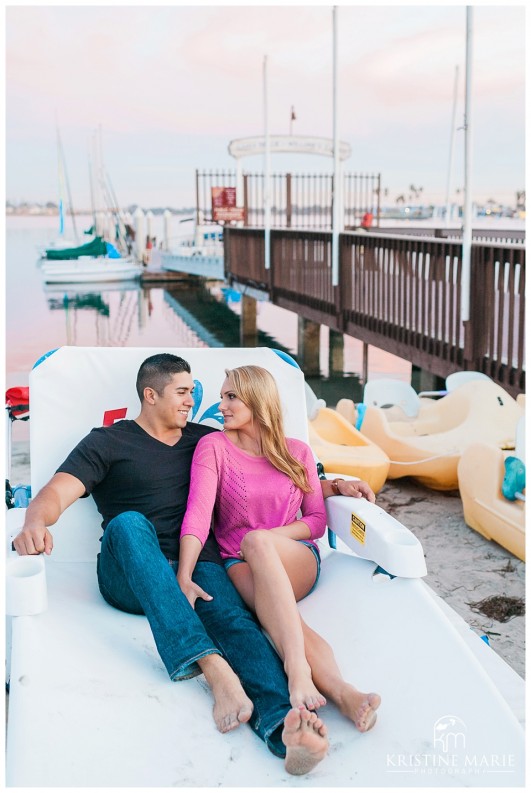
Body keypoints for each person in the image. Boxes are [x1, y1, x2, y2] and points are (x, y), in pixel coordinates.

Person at [12, 353, 372, 775]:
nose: (192, 401)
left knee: (237, 621)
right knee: (128, 524)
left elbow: (271, 470)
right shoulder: (108, 441)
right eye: (183, 392)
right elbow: (57, 491)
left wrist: (334, 486)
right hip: (130, 571)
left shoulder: (204, 441)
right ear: (151, 395)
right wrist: (35, 521)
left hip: (197, 562)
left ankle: (283, 728)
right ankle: (211, 666)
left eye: (193, 393)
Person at [179, 365, 381, 731]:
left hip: (296, 559)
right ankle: (345, 694)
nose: (221, 405)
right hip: (240, 565)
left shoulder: (296, 452)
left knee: (257, 541)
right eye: (222, 396)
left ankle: (296, 670)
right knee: (292, 624)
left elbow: (316, 519)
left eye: (230, 397)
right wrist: (184, 574)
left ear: (257, 400)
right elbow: (198, 512)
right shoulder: (213, 447)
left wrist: (270, 540)